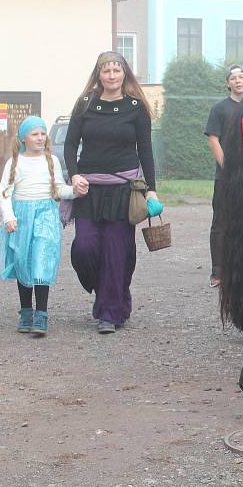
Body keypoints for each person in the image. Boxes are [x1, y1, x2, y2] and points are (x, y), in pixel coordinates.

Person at [63, 51, 161, 335]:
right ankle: (111, 293)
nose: (112, 75)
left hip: (123, 190)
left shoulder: (136, 107)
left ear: (124, 74)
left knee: (118, 253)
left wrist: (151, 190)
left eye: (116, 70)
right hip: (89, 190)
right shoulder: (84, 104)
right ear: (99, 75)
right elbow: (70, 146)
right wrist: (75, 175)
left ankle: (109, 311)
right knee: (85, 247)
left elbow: (145, 150)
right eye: (106, 71)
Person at [0, 116, 78, 335]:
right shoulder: (15, 162)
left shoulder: (51, 160)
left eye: (43, 133)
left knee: (42, 259)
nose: (40, 138)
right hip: (21, 216)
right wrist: (9, 216)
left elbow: (58, 189)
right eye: (35, 134)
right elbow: (4, 193)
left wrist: (75, 191)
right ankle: (26, 312)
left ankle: (41, 314)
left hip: (46, 216)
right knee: (23, 261)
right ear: (23, 138)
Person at [205, 64, 243, 288]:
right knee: (221, 222)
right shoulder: (220, 108)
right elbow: (212, 138)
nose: (238, 81)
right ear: (227, 83)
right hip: (225, 177)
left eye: (241, 77)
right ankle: (218, 271)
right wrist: (227, 166)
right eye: (233, 78)